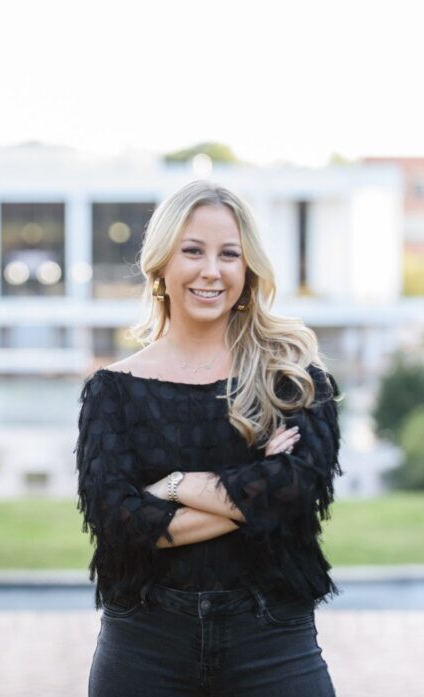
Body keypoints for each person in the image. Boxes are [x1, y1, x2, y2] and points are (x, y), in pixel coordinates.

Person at [76, 180, 343, 696]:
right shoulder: (113, 390)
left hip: (273, 641)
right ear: (161, 264)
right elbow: (118, 523)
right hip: (145, 645)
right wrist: (257, 492)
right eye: (193, 251)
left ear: (248, 268)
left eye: (229, 254)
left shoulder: (293, 379)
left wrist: (172, 486)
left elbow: (297, 491)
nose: (211, 271)